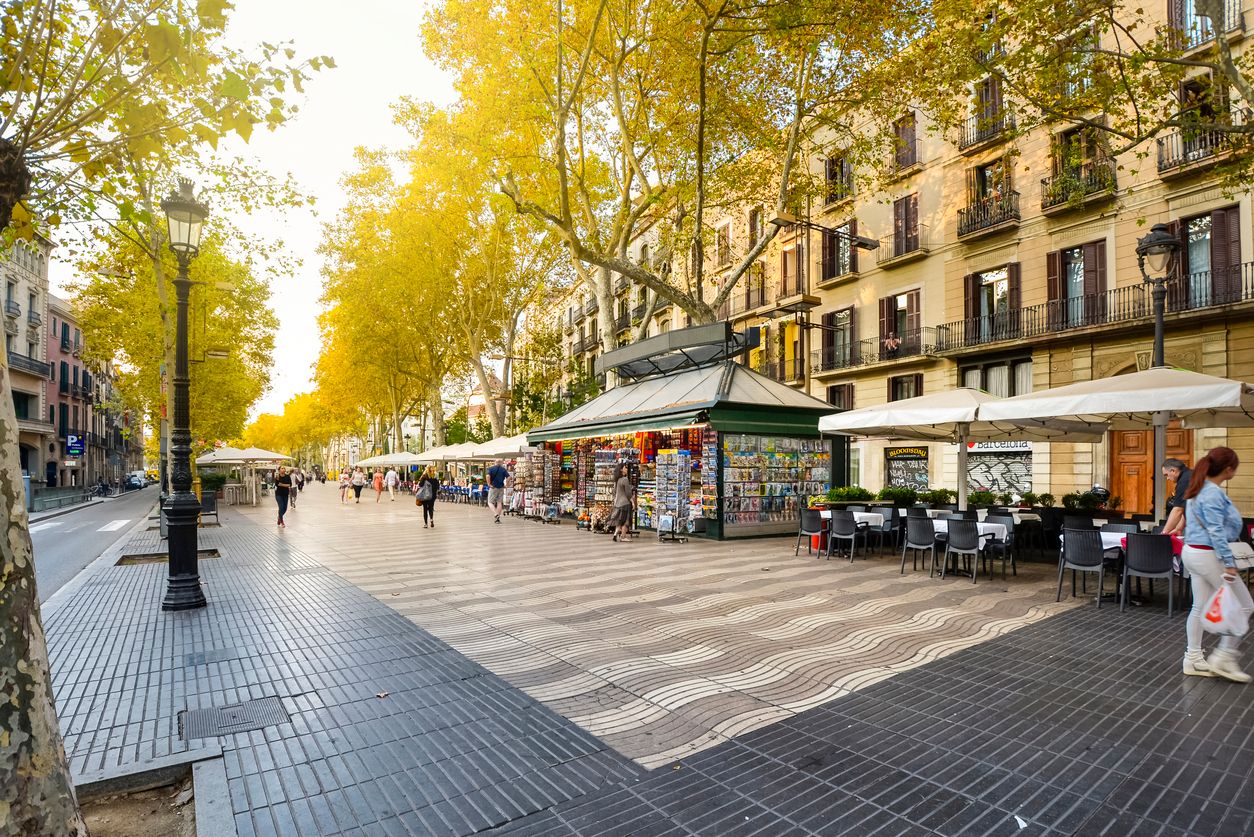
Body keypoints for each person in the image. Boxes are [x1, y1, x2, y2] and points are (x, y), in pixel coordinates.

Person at [1181, 446, 1248, 683]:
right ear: (1228, 469)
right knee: (1245, 605)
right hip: (1208, 555)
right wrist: (1229, 563)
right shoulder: (1213, 493)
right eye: (1235, 469)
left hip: (1193, 552)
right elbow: (1216, 530)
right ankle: (1224, 656)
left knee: (1199, 606)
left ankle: (1193, 658)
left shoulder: (1198, 488)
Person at [1162, 457, 1193, 536]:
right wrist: (1179, 528)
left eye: (1166, 475)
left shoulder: (1184, 481)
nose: (1167, 478)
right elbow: (1185, 507)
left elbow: (1178, 510)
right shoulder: (1189, 475)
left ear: (1173, 471)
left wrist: (1163, 534)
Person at [611, 462, 635, 543]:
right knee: (625, 521)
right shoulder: (625, 479)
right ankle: (623, 536)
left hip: (617, 503)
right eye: (625, 467)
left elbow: (614, 492)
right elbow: (628, 493)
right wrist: (633, 502)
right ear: (621, 469)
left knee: (619, 520)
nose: (626, 469)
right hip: (625, 503)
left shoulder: (616, 480)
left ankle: (615, 534)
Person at [486, 458, 509, 523]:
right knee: (499, 502)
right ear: (501, 463)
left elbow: (487, 476)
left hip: (493, 487)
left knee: (490, 502)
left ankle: (496, 514)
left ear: (495, 462)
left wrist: (489, 484)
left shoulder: (490, 469)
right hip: (501, 487)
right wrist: (506, 485)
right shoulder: (503, 469)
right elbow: (509, 477)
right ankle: (498, 518)